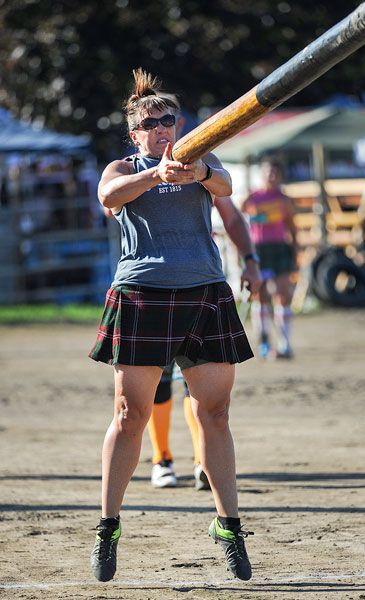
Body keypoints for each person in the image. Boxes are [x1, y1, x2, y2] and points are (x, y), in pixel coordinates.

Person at [89, 68, 255, 583]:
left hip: (204, 292)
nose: (163, 128)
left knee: (217, 413)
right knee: (130, 413)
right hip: (142, 295)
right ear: (135, 133)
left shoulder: (201, 163)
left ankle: (228, 525)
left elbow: (227, 187)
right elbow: (109, 196)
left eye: (170, 120)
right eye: (152, 123)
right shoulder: (124, 166)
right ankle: (108, 526)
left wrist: (198, 174)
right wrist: (153, 175)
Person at [148, 196, 262, 490]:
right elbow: (110, 205)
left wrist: (251, 259)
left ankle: (202, 460)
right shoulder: (131, 168)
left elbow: (231, 214)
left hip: (200, 284)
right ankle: (162, 458)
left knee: (197, 380)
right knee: (155, 379)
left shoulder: (199, 164)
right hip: (150, 288)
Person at [241, 158, 297, 359]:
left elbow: (292, 226)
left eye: (274, 173)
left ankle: (285, 344)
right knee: (261, 295)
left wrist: (295, 251)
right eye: (267, 172)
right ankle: (263, 342)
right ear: (261, 174)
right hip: (259, 250)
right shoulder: (251, 199)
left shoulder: (283, 199)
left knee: (283, 293)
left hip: (280, 248)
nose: (271, 176)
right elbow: (237, 222)